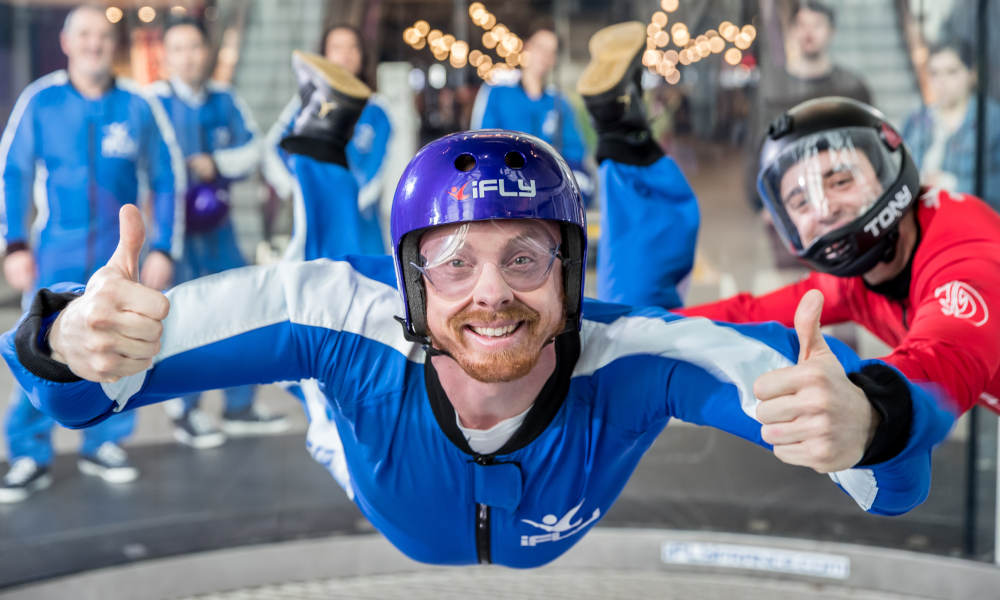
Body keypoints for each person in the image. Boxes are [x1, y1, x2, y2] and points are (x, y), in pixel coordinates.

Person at [0, 51, 954, 567]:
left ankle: (589, 135)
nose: (491, 291)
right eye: (452, 263)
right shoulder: (354, 315)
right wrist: (69, 333)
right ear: (410, 281)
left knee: (643, 312)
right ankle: (343, 141)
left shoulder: (628, 351)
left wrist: (868, 422)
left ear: (565, 272)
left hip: (597, 336)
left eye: (527, 256)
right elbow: (78, 392)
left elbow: (880, 476)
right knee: (318, 295)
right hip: (360, 352)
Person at [679, 95, 1000, 417]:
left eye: (842, 181)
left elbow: (944, 359)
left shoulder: (962, 243)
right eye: (801, 202)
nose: (825, 209)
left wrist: (865, 409)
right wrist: (645, 326)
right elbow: (746, 314)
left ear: (886, 173)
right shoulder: (850, 283)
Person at [0, 4, 183, 502]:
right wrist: (13, 243)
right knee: (39, 350)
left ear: (114, 44)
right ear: (66, 42)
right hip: (53, 252)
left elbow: (168, 176)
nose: (93, 44)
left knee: (116, 351)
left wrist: (164, 245)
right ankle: (28, 453)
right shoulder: (41, 102)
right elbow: (12, 173)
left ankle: (104, 444)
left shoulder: (139, 107)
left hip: (116, 257)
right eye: (83, 34)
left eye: (102, 35)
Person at [151, 16, 286, 448]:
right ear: (165, 56)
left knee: (238, 311)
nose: (188, 57)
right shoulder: (150, 103)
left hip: (220, 230)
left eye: (195, 47)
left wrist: (216, 164)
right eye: (178, 49)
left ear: (207, 52)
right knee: (177, 322)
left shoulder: (226, 100)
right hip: (171, 235)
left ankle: (238, 405)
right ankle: (185, 412)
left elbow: (254, 148)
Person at [575, 21, 698, 309]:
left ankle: (615, 121)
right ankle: (617, 124)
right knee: (636, 301)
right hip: (625, 169)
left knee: (634, 293)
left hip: (624, 166)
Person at [262, 23, 392, 259]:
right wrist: (298, 189)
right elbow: (274, 147)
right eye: (337, 47)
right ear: (324, 55)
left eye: (353, 47)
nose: (345, 55)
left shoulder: (378, 110)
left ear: (363, 55)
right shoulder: (307, 102)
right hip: (315, 222)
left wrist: (345, 200)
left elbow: (379, 170)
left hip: (361, 225)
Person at [749, 1, 871, 219]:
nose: (808, 33)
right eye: (802, 25)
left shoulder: (852, 86)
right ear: (793, 30)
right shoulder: (772, 88)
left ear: (831, 32)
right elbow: (756, 145)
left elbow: (869, 143)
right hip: (791, 206)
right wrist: (761, 203)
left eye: (816, 25)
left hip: (845, 202)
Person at [470, 24, 593, 203]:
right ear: (527, 47)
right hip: (505, 180)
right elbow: (482, 141)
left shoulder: (559, 102)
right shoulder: (497, 92)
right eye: (540, 47)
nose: (545, 56)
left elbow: (575, 150)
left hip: (547, 185)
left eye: (552, 51)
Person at [901, 39, 1000, 212]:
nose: (942, 81)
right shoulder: (917, 120)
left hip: (972, 219)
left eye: (951, 72)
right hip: (925, 219)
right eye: (934, 73)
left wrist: (953, 184)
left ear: (972, 73)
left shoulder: (991, 121)